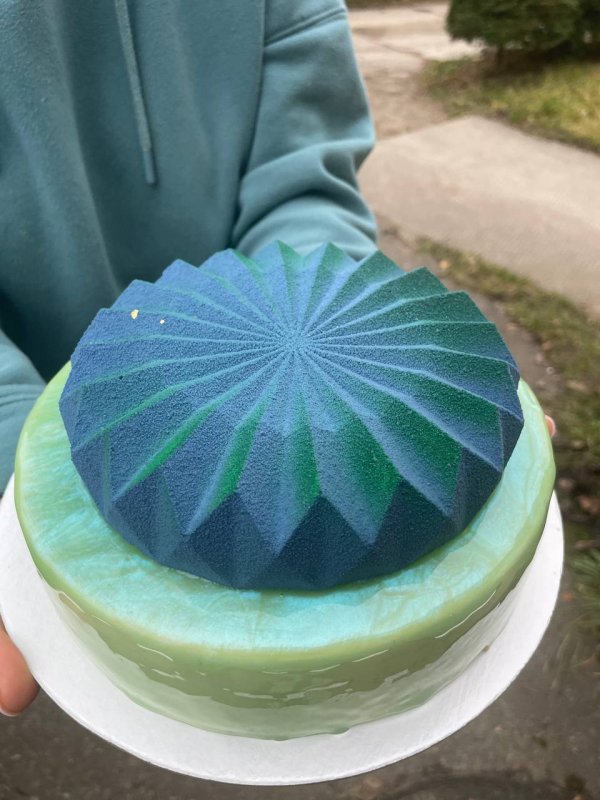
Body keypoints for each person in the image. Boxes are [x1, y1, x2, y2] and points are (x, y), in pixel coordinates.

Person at [0, 0, 555, 716]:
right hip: (51, 428)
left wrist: (332, 308)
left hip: (285, 341)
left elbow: (304, 177)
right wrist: (17, 450)